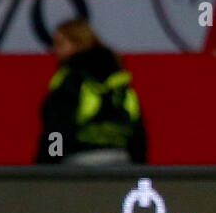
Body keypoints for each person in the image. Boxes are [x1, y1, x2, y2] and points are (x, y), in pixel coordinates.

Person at [35, 19, 147, 165]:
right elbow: (138, 132)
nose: (55, 50)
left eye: (60, 44)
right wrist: (138, 168)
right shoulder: (119, 80)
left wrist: (48, 165)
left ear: (78, 43)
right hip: (122, 162)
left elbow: (57, 128)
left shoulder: (70, 79)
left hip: (80, 163)